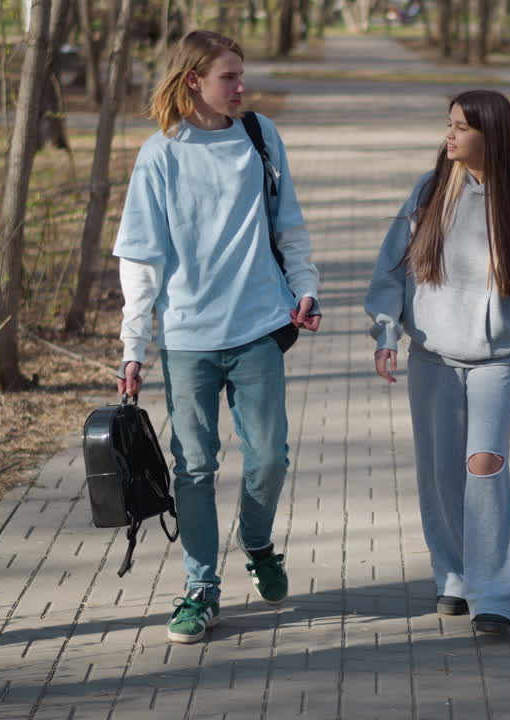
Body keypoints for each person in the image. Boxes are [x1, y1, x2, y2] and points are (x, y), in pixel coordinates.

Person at [114, 30, 321, 645]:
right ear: (193, 81)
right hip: (188, 338)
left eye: (240, 74)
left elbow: (289, 224)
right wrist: (133, 348)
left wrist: (305, 287)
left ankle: (256, 540)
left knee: (270, 459)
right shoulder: (161, 154)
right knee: (195, 467)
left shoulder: (260, 136)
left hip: (258, 327)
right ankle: (201, 589)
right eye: (228, 77)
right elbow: (140, 261)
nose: (240, 87)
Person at [364, 90, 510, 635]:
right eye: (448, 124)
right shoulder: (431, 190)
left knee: (484, 467)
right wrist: (386, 331)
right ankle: (453, 575)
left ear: (489, 135)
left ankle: (494, 595)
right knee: (440, 473)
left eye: (460, 127)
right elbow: (392, 267)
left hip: (497, 360)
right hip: (432, 356)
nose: (448, 135)